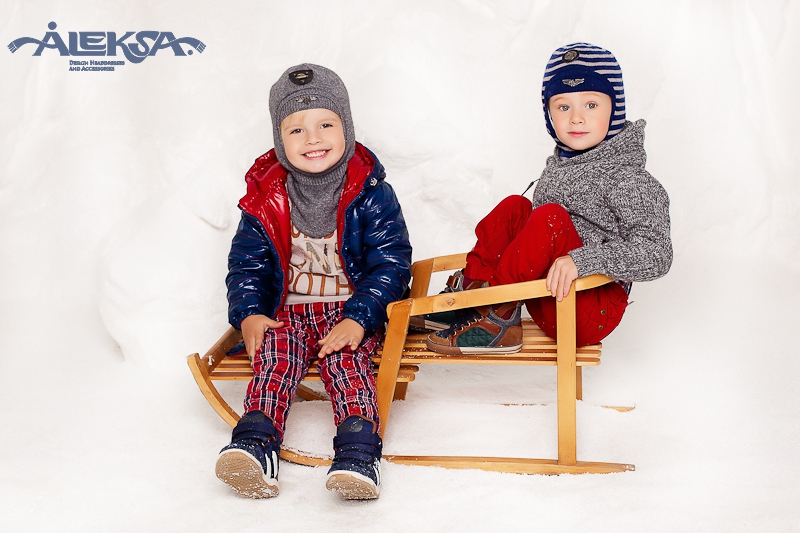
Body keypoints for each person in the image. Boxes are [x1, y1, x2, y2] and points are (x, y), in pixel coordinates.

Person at [216, 64, 412, 500]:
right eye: (296, 130)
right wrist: (250, 314)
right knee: (275, 360)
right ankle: (255, 444)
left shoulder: (371, 192)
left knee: (347, 364)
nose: (313, 139)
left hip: (349, 311)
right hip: (287, 312)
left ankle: (358, 453)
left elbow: (392, 264)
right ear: (279, 140)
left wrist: (360, 318)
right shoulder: (267, 197)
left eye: (326, 124)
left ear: (347, 127)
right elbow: (246, 265)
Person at [424, 42, 672, 354]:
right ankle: (472, 298)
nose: (576, 118)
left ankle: (497, 318)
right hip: (546, 295)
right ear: (549, 114)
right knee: (516, 207)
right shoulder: (559, 168)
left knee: (549, 217)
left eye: (591, 105)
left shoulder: (629, 179)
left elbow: (657, 254)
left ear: (615, 109)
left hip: (590, 309)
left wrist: (584, 260)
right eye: (563, 107)